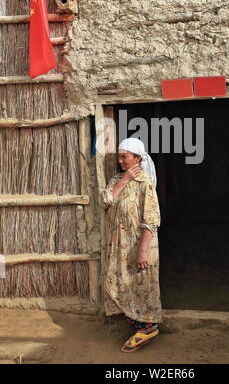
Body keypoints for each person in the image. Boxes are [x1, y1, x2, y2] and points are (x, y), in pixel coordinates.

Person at [99, 137, 162, 353]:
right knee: (120, 284)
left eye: (124, 157)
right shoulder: (117, 178)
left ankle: (147, 327)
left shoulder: (145, 184)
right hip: (119, 247)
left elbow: (151, 221)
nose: (120, 160)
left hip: (139, 247)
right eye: (119, 156)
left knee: (140, 287)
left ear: (137, 158)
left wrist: (142, 252)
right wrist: (124, 179)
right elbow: (105, 201)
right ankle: (139, 326)